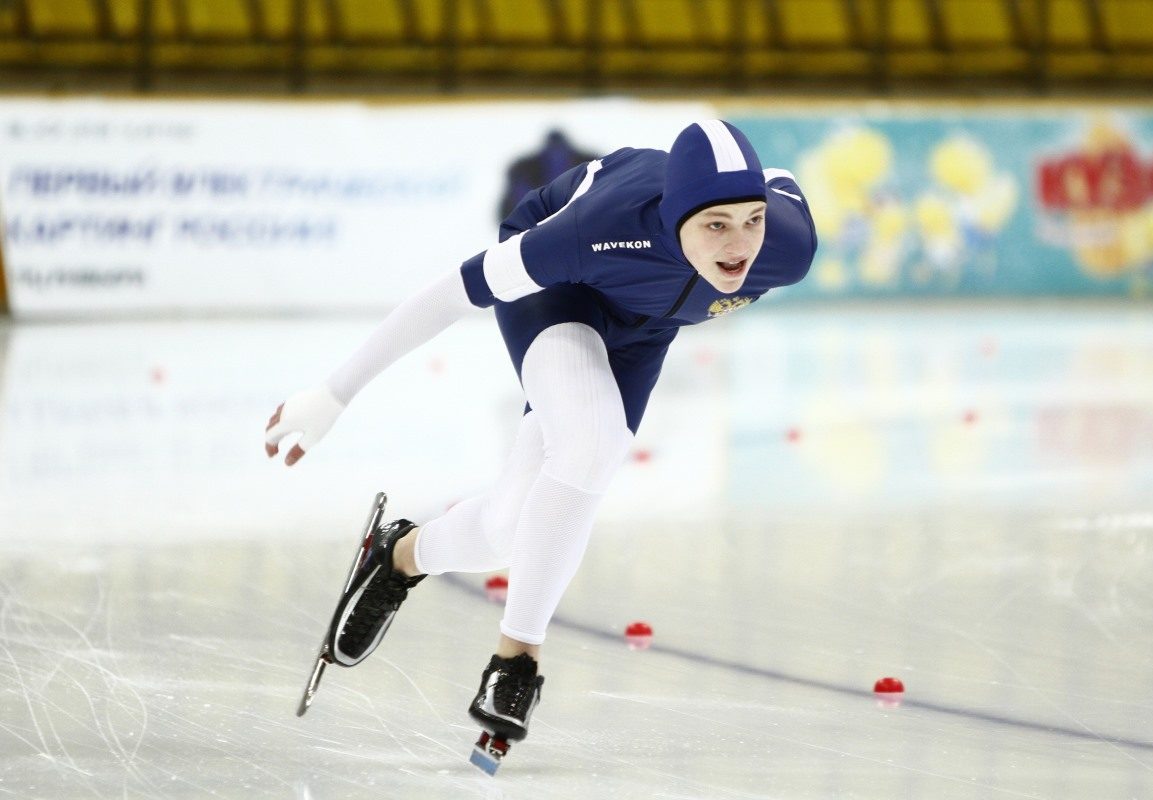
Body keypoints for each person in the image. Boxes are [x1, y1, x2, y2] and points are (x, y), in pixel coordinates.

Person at [265, 119, 817, 756]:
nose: (740, 246)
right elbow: (447, 296)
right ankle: (515, 663)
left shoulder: (787, 244)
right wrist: (335, 392)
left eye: (751, 220)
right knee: (592, 445)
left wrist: (755, 206)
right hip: (558, 297)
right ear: (673, 213)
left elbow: (784, 186)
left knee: (506, 529)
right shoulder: (601, 230)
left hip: (641, 332)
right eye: (715, 225)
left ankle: (399, 557)